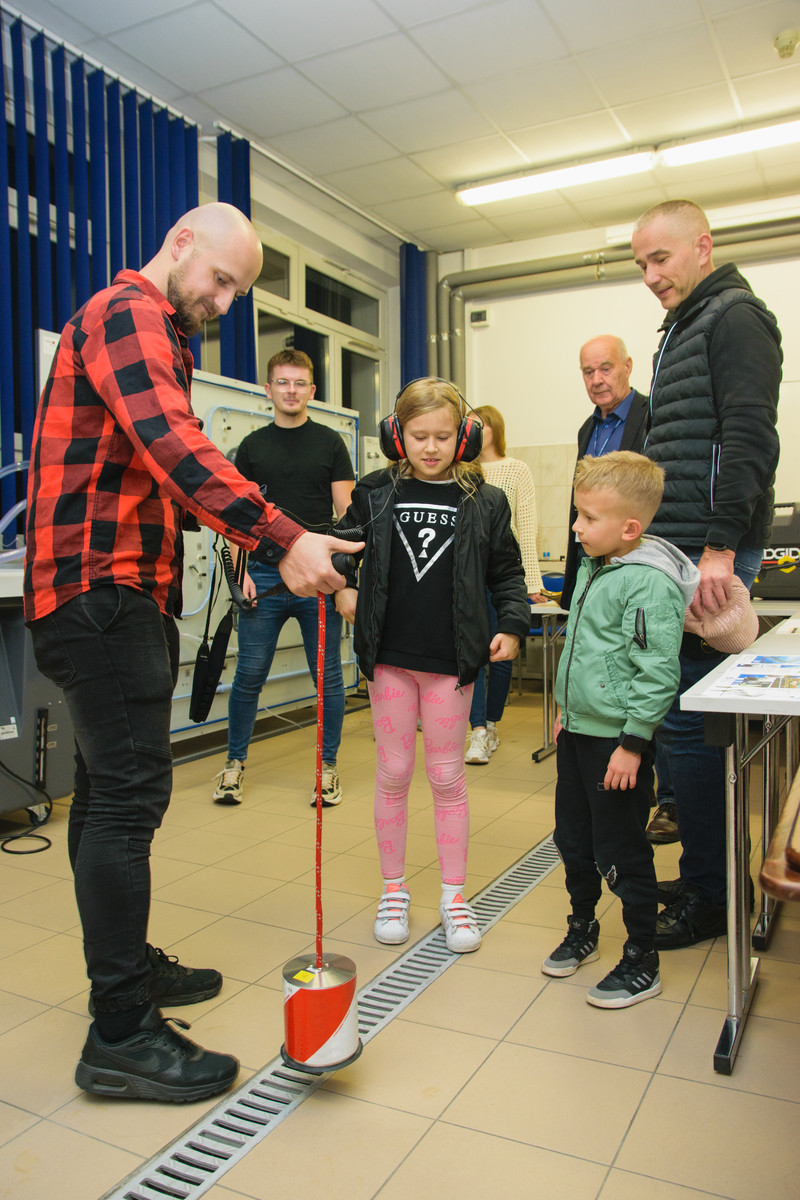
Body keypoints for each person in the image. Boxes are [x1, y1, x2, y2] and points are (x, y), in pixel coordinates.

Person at [23, 202, 362, 1102]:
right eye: (220, 279)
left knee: (105, 791)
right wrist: (283, 536)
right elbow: (175, 446)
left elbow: (162, 465)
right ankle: (120, 1032)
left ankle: (126, 969)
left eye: (237, 291)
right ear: (180, 243)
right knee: (129, 800)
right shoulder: (128, 312)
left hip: (110, 589)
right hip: (101, 588)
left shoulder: (158, 330)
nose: (224, 301)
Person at [631, 199, 782, 949]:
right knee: (679, 723)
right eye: (641, 265)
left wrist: (720, 548)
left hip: (708, 553)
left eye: (660, 258)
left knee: (690, 728)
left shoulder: (734, 318)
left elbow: (751, 436)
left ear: (702, 246)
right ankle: (705, 876)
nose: (650, 275)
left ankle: (712, 895)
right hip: (680, 549)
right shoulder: (683, 326)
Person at [334, 378, 529, 953]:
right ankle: (393, 889)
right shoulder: (374, 491)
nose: (431, 447)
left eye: (444, 436)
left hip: (451, 661)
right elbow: (342, 549)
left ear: (464, 437)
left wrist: (512, 623)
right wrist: (342, 587)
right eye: (419, 435)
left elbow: (507, 572)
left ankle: (453, 894)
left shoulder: (486, 500)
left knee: (447, 777)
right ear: (396, 435)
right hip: (390, 661)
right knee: (393, 772)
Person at [543, 452, 699, 1007]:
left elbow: (657, 671)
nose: (576, 527)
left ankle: (642, 958)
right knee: (573, 839)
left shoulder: (648, 583)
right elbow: (587, 648)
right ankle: (582, 926)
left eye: (588, 517)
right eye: (578, 514)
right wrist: (566, 709)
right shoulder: (597, 565)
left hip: (618, 743)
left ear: (630, 528)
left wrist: (633, 744)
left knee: (621, 848)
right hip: (577, 731)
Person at [212, 349, 355, 808]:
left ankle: (326, 768)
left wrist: (345, 582)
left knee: (327, 678)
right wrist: (240, 575)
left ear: (312, 390)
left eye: (299, 383)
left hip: (317, 577)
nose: (290, 391)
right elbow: (238, 517)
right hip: (262, 576)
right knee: (249, 675)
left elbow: (347, 517)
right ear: (268, 389)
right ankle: (233, 766)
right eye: (282, 382)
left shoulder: (331, 443)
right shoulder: (252, 447)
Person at [464, 404, 546, 765]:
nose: (473, 432)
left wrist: (532, 582)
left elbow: (526, 528)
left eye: (479, 426)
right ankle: (478, 731)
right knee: (473, 653)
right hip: (470, 575)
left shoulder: (515, 470)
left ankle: (491, 723)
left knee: (500, 654)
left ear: (495, 429)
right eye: (468, 427)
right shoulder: (461, 470)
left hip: (504, 574)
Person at [560, 336, 648, 612]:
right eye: (588, 372)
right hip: (588, 559)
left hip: (633, 562)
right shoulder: (587, 429)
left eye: (606, 369)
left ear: (627, 366)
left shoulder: (651, 417)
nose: (596, 380)